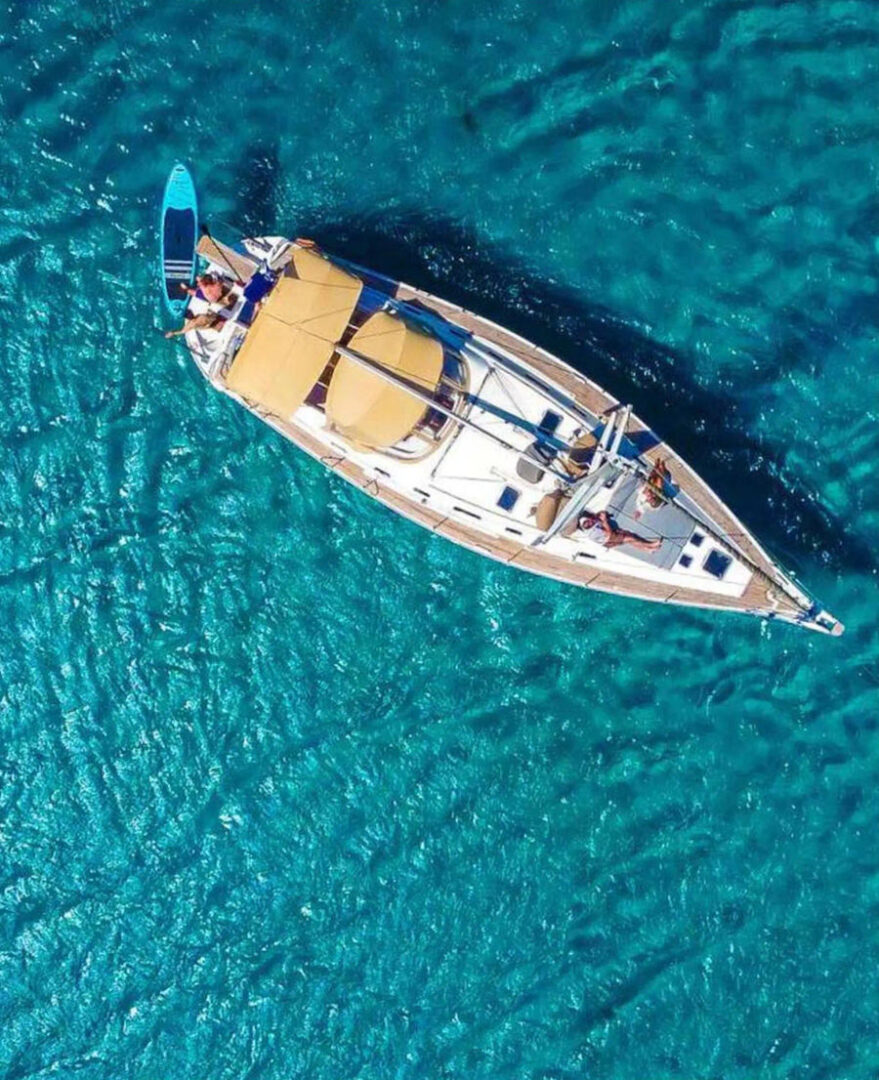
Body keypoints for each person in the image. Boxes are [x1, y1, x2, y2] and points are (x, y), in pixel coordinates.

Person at [577, 509, 662, 551]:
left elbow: (600, 515)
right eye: (586, 525)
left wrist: (603, 515)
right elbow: (609, 534)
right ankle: (651, 544)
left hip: (610, 535)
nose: (589, 524)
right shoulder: (592, 532)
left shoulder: (592, 521)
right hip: (608, 540)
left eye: (587, 521)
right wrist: (605, 521)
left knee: (630, 536)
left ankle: (648, 549)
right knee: (630, 538)